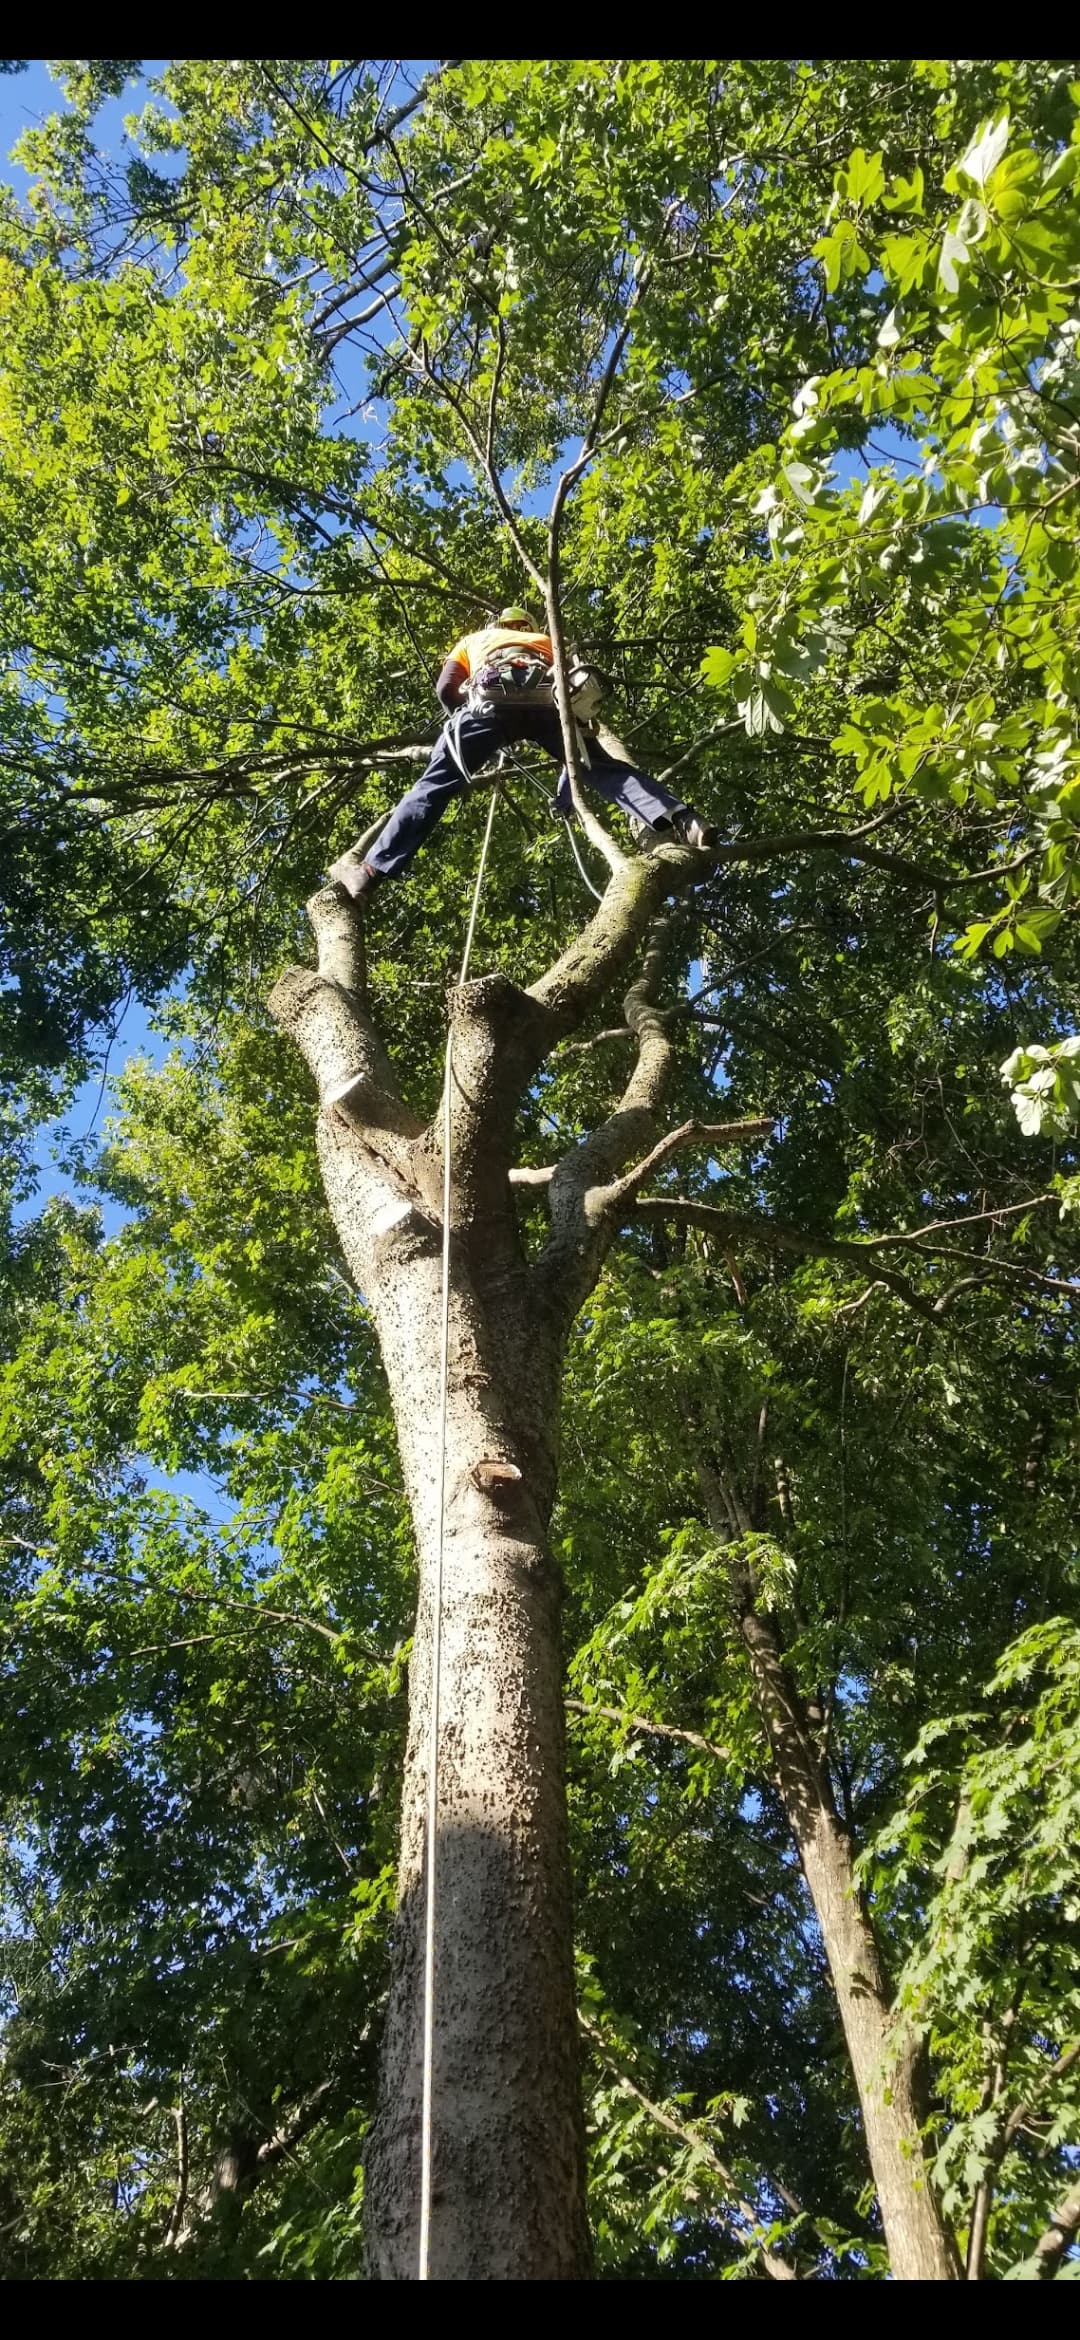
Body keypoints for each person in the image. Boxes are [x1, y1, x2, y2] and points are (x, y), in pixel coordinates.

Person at [328, 607, 717, 899]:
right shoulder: (549, 643)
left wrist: (469, 724)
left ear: (499, 624)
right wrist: (566, 795)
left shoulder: (473, 640)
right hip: (550, 705)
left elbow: (446, 688)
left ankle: (371, 870)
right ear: (527, 627)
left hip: (489, 702)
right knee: (604, 768)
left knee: (434, 785)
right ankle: (684, 819)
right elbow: (575, 745)